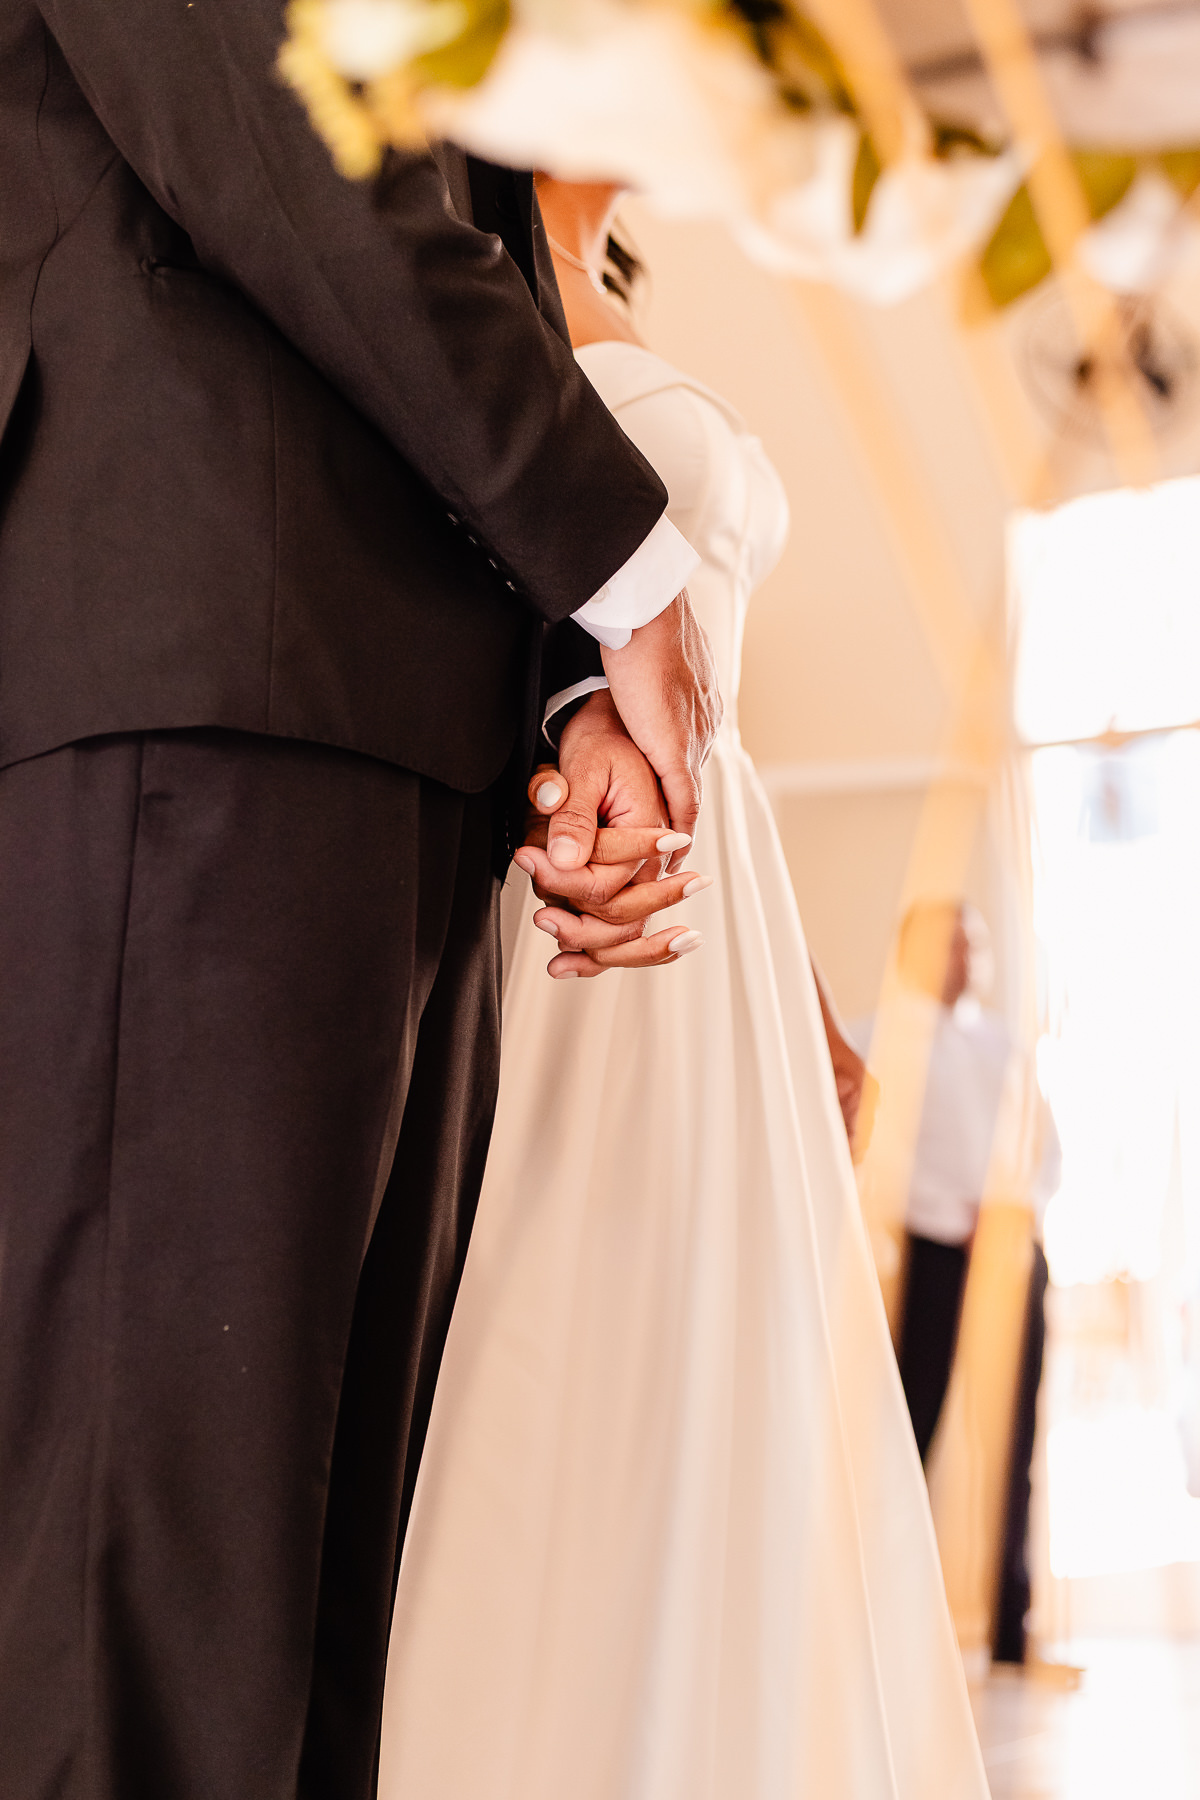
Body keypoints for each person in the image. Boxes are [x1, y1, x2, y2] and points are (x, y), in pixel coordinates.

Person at [0, 12, 722, 1797]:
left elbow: (456, 206)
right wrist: (620, 567)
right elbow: (266, 118)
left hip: (405, 729)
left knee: (320, 1626)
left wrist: (571, 683)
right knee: (148, 1610)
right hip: (200, 661)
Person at [379, 180, 989, 1799]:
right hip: (586, 870)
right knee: (583, 1348)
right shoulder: (462, 277)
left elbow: (716, 702)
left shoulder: (599, 275)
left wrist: (795, 990)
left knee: (750, 1396)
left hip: (729, 869)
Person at [889, 903, 1060, 1470]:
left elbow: (1045, 1151)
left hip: (1011, 1256)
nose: (967, 959)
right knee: (914, 1420)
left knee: (1014, 1436)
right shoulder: (875, 1042)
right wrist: (957, 1218)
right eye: (952, 944)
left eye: (975, 946)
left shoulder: (1008, 1047)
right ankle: (901, 1558)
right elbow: (877, 1159)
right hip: (927, 1259)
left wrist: (1013, 1214)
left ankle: (1010, 1561)